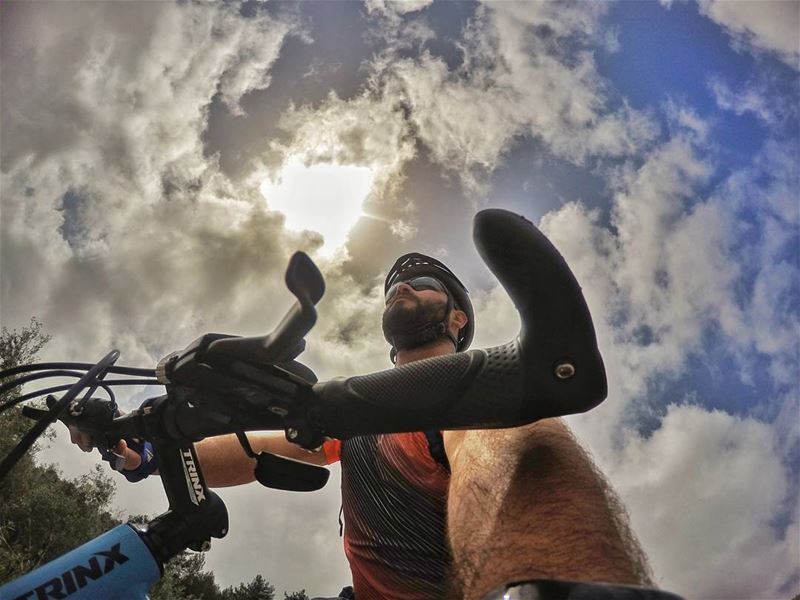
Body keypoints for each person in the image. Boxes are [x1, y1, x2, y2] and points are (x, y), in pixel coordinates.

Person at [69, 252, 672, 600]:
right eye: (392, 286)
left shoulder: (476, 406)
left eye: (423, 282)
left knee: (505, 430)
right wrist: (148, 444)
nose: (402, 285)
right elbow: (256, 452)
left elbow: (511, 453)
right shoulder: (353, 418)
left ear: (458, 318)